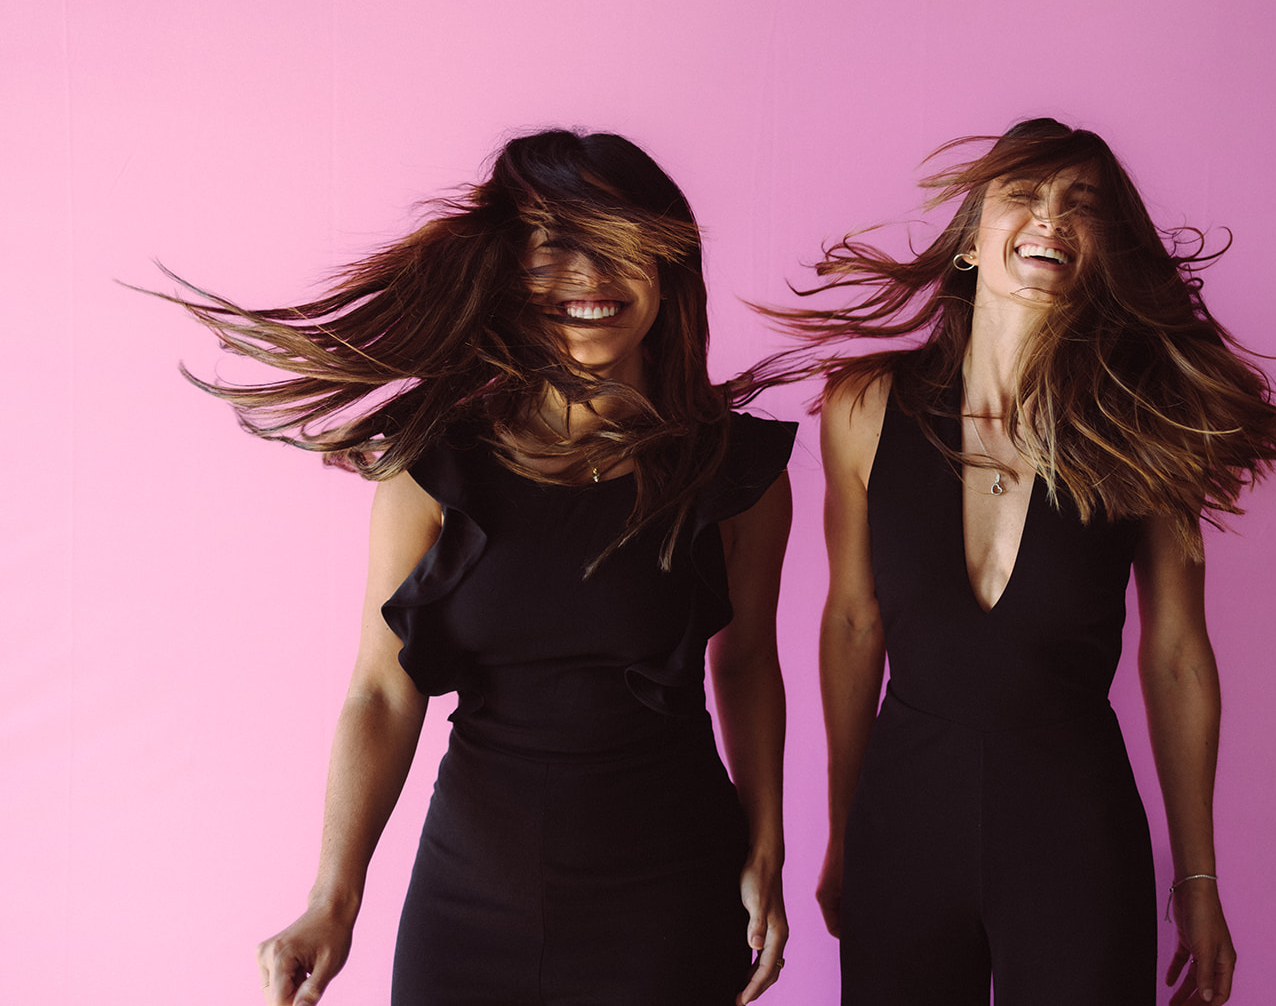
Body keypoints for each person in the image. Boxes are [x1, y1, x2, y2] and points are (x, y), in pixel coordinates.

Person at [146, 130, 792, 1005]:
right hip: (470, 897)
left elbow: (748, 660)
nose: (589, 277)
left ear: (668, 271)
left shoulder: (735, 470)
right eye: (555, 244)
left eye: (621, 247)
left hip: (668, 894)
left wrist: (765, 844)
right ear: (508, 268)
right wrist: (332, 900)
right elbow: (381, 688)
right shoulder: (434, 460)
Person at [768, 118, 1276, 1005]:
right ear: (972, 239)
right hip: (903, 820)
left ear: (1103, 250)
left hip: (1072, 829)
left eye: (1081, 206)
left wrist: (1199, 883)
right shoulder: (865, 406)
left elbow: (1176, 655)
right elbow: (853, 619)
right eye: (1023, 195)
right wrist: (843, 830)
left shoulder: (1150, 427)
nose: (1050, 219)